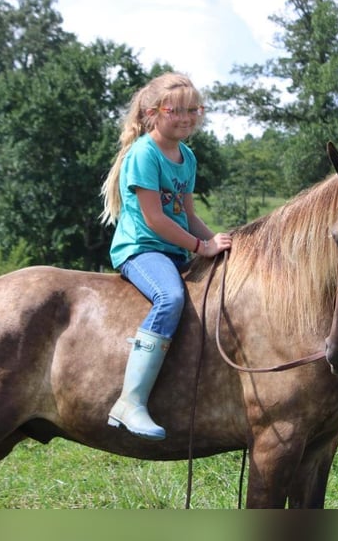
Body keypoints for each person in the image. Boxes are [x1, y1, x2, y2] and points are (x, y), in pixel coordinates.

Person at [100, 72, 232, 440]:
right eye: (177, 110)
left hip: (175, 248)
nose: (187, 117)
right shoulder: (144, 154)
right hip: (143, 249)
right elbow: (155, 219)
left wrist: (222, 242)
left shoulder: (186, 156)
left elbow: (187, 215)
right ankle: (131, 400)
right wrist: (200, 247)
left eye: (194, 110)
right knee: (170, 296)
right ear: (152, 112)